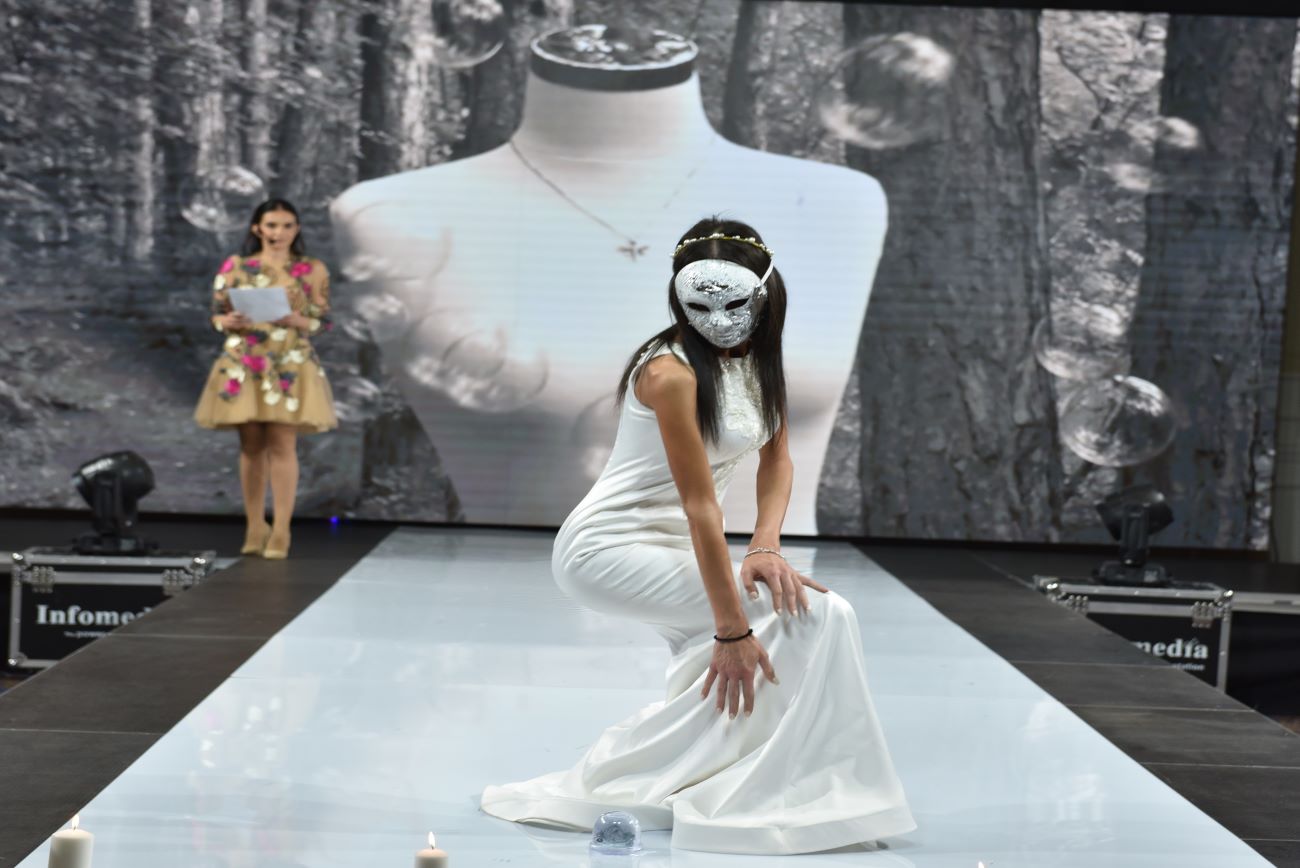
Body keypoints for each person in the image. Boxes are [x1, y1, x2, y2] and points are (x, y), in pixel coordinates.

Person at [480, 218, 914, 855]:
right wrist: (731, 628)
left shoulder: (759, 361)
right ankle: (764, 785)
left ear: (766, 294)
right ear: (677, 299)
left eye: (735, 303)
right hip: (608, 547)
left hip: (677, 544)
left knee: (811, 617)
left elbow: (777, 460)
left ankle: (751, 779)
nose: (719, 320)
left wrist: (765, 546)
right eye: (699, 306)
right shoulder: (670, 374)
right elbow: (700, 506)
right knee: (819, 615)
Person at [193, 199, 337, 559]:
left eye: (287, 225)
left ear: (296, 229)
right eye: (272, 225)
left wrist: (298, 321)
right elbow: (217, 313)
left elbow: (323, 321)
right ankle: (255, 526)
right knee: (251, 446)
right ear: (257, 228)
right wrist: (226, 322)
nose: (279, 233)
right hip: (246, 360)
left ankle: (282, 529)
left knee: (282, 444)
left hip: (288, 361)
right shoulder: (237, 266)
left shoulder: (311, 269)